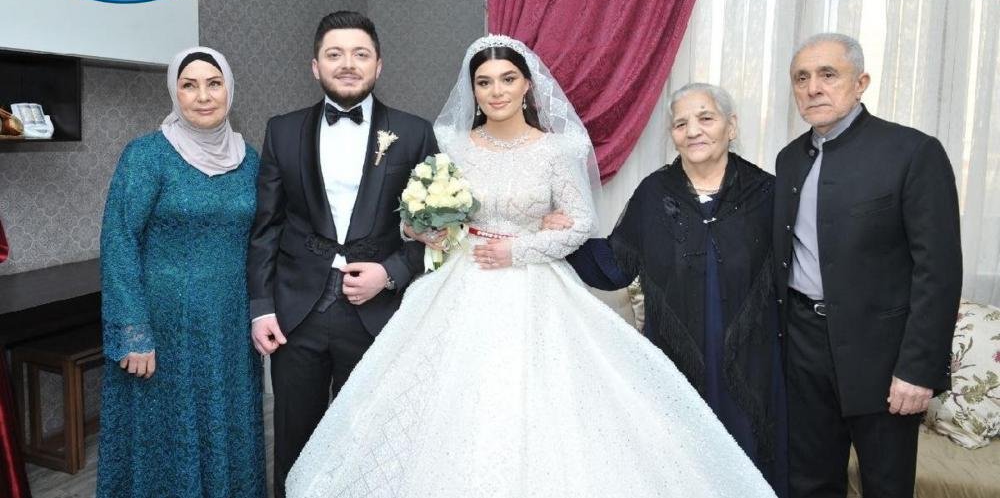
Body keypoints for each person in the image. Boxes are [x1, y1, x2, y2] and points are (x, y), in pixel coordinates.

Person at [285, 35, 777, 498]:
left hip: (535, 289)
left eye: (507, 79)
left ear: (527, 85)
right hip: (460, 283)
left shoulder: (557, 149)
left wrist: (519, 250)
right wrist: (423, 229)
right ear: (473, 91)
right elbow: (419, 214)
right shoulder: (451, 142)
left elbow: (579, 224)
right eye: (484, 82)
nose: (496, 91)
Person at [544, 83, 788, 495]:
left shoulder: (768, 194)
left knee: (748, 463)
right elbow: (615, 266)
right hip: (676, 359)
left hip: (753, 362)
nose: (693, 131)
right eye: (680, 124)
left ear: (731, 127)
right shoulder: (654, 193)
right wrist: (567, 236)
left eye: (706, 118)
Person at [246, 11, 438, 498]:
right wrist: (262, 308)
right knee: (295, 445)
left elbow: (437, 228)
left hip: (378, 315)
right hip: (297, 315)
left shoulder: (414, 133)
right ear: (315, 66)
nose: (348, 64)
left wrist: (390, 273)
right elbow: (266, 227)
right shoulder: (281, 131)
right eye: (335, 54)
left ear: (379, 65)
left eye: (360, 54)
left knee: (370, 448)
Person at [774, 33, 962, 497]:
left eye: (828, 74)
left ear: (860, 83)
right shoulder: (789, 159)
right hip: (803, 349)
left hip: (883, 358)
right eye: (801, 78)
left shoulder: (913, 152)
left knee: (886, 487)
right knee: (809, 483)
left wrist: (918, 370)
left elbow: (938, 273)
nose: (813, 88)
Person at [98, 47, 265, 498]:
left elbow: (263, 241)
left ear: (230, 89)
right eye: (189, 85)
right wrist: (133, 332)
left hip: (229, 329)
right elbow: (118, 241)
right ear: (175, 93)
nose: (203, 96)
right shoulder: (147, 155)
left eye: (214, 83)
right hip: (164, 330)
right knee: (166, 434)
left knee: (225, 425)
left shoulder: (250, 161)